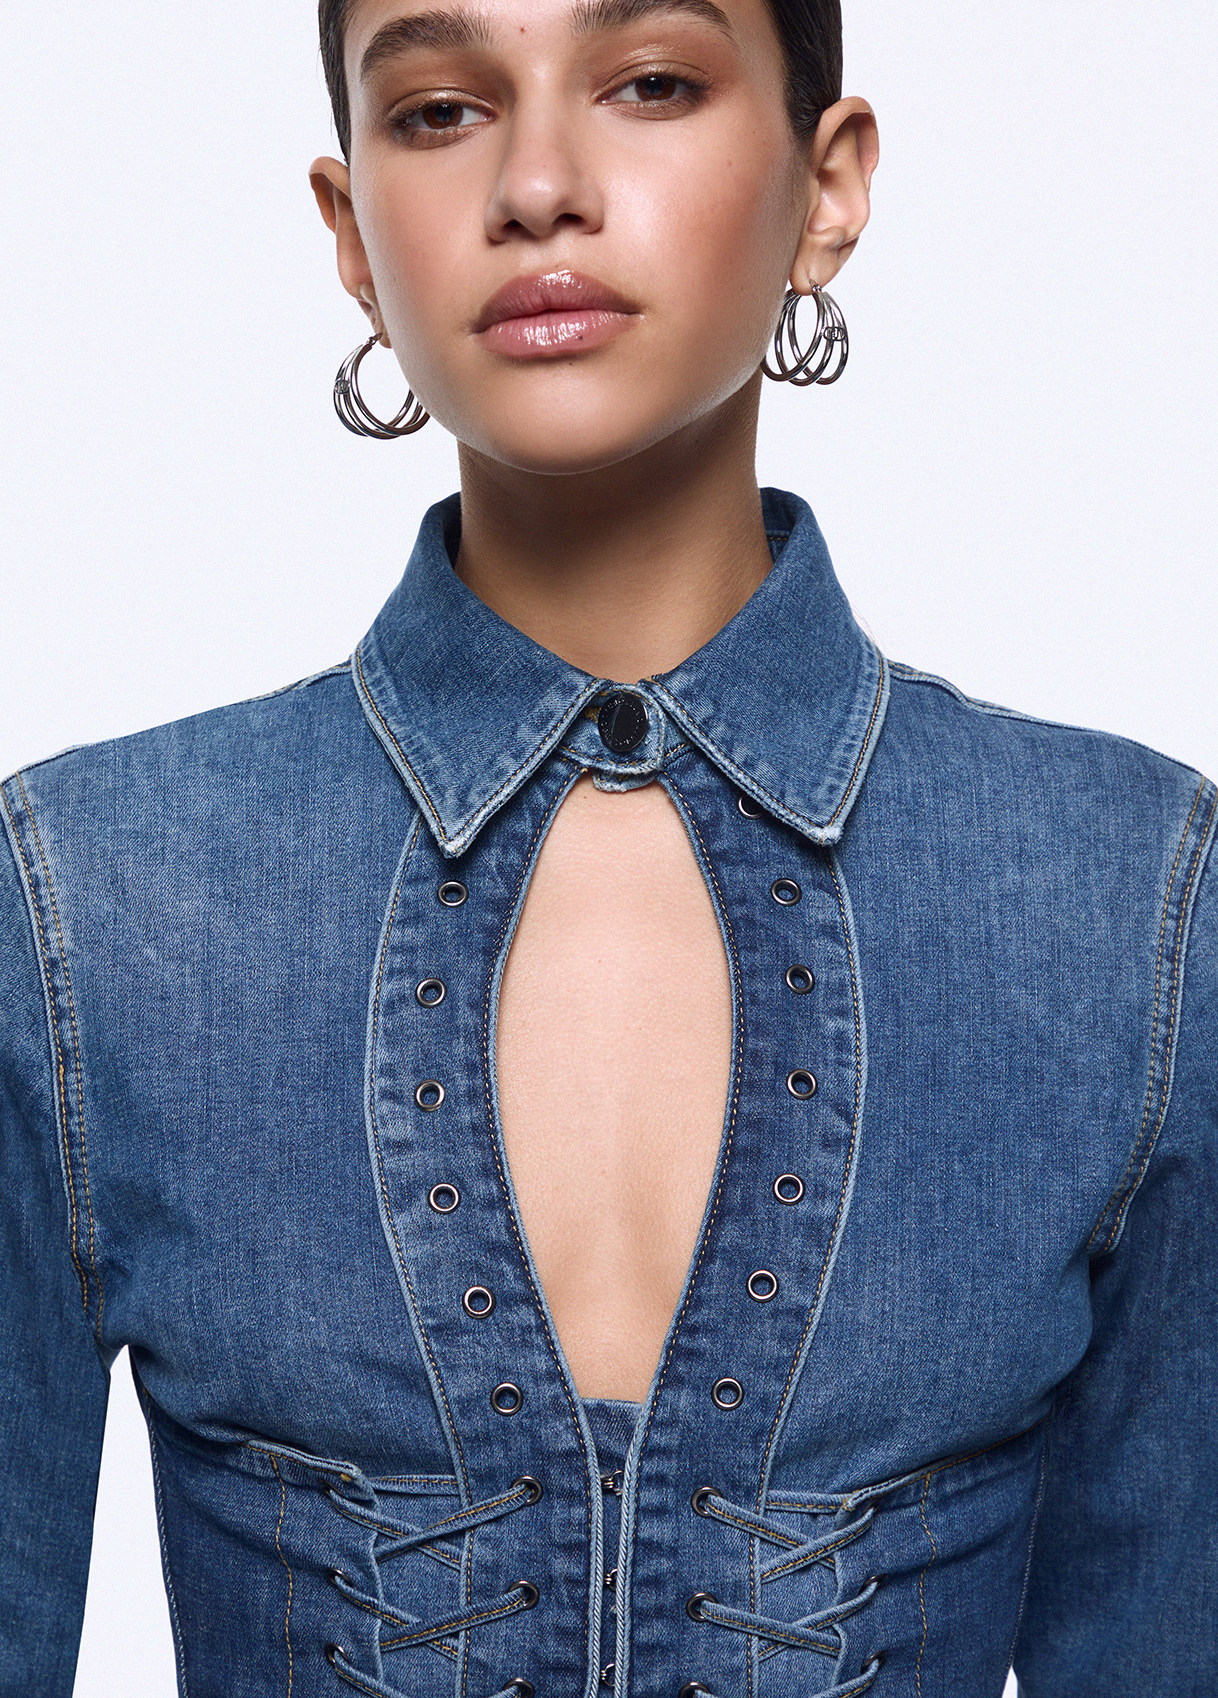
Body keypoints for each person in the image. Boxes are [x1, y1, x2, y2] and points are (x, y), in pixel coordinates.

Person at [1, 1, 1214, 1696]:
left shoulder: (1125, 900)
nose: (538, 184)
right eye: (440, 111)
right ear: (351, 232)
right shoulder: (94, 900)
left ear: (826, 185)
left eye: (650, 82)